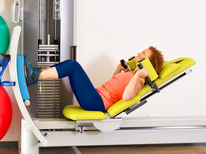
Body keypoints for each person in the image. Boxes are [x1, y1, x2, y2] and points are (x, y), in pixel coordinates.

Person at [25, 46, 164, 112]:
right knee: (70, 64)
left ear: (148, 63)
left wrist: (139, 75)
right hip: (95, 97)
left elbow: (127, 97)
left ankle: (34, 76)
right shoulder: (132, 74)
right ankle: (35, 74)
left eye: (144, 53)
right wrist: (119, 69)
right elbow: (113, 86)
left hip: (96, 102)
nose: (139, 52)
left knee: (73, 66)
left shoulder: (139, 80)